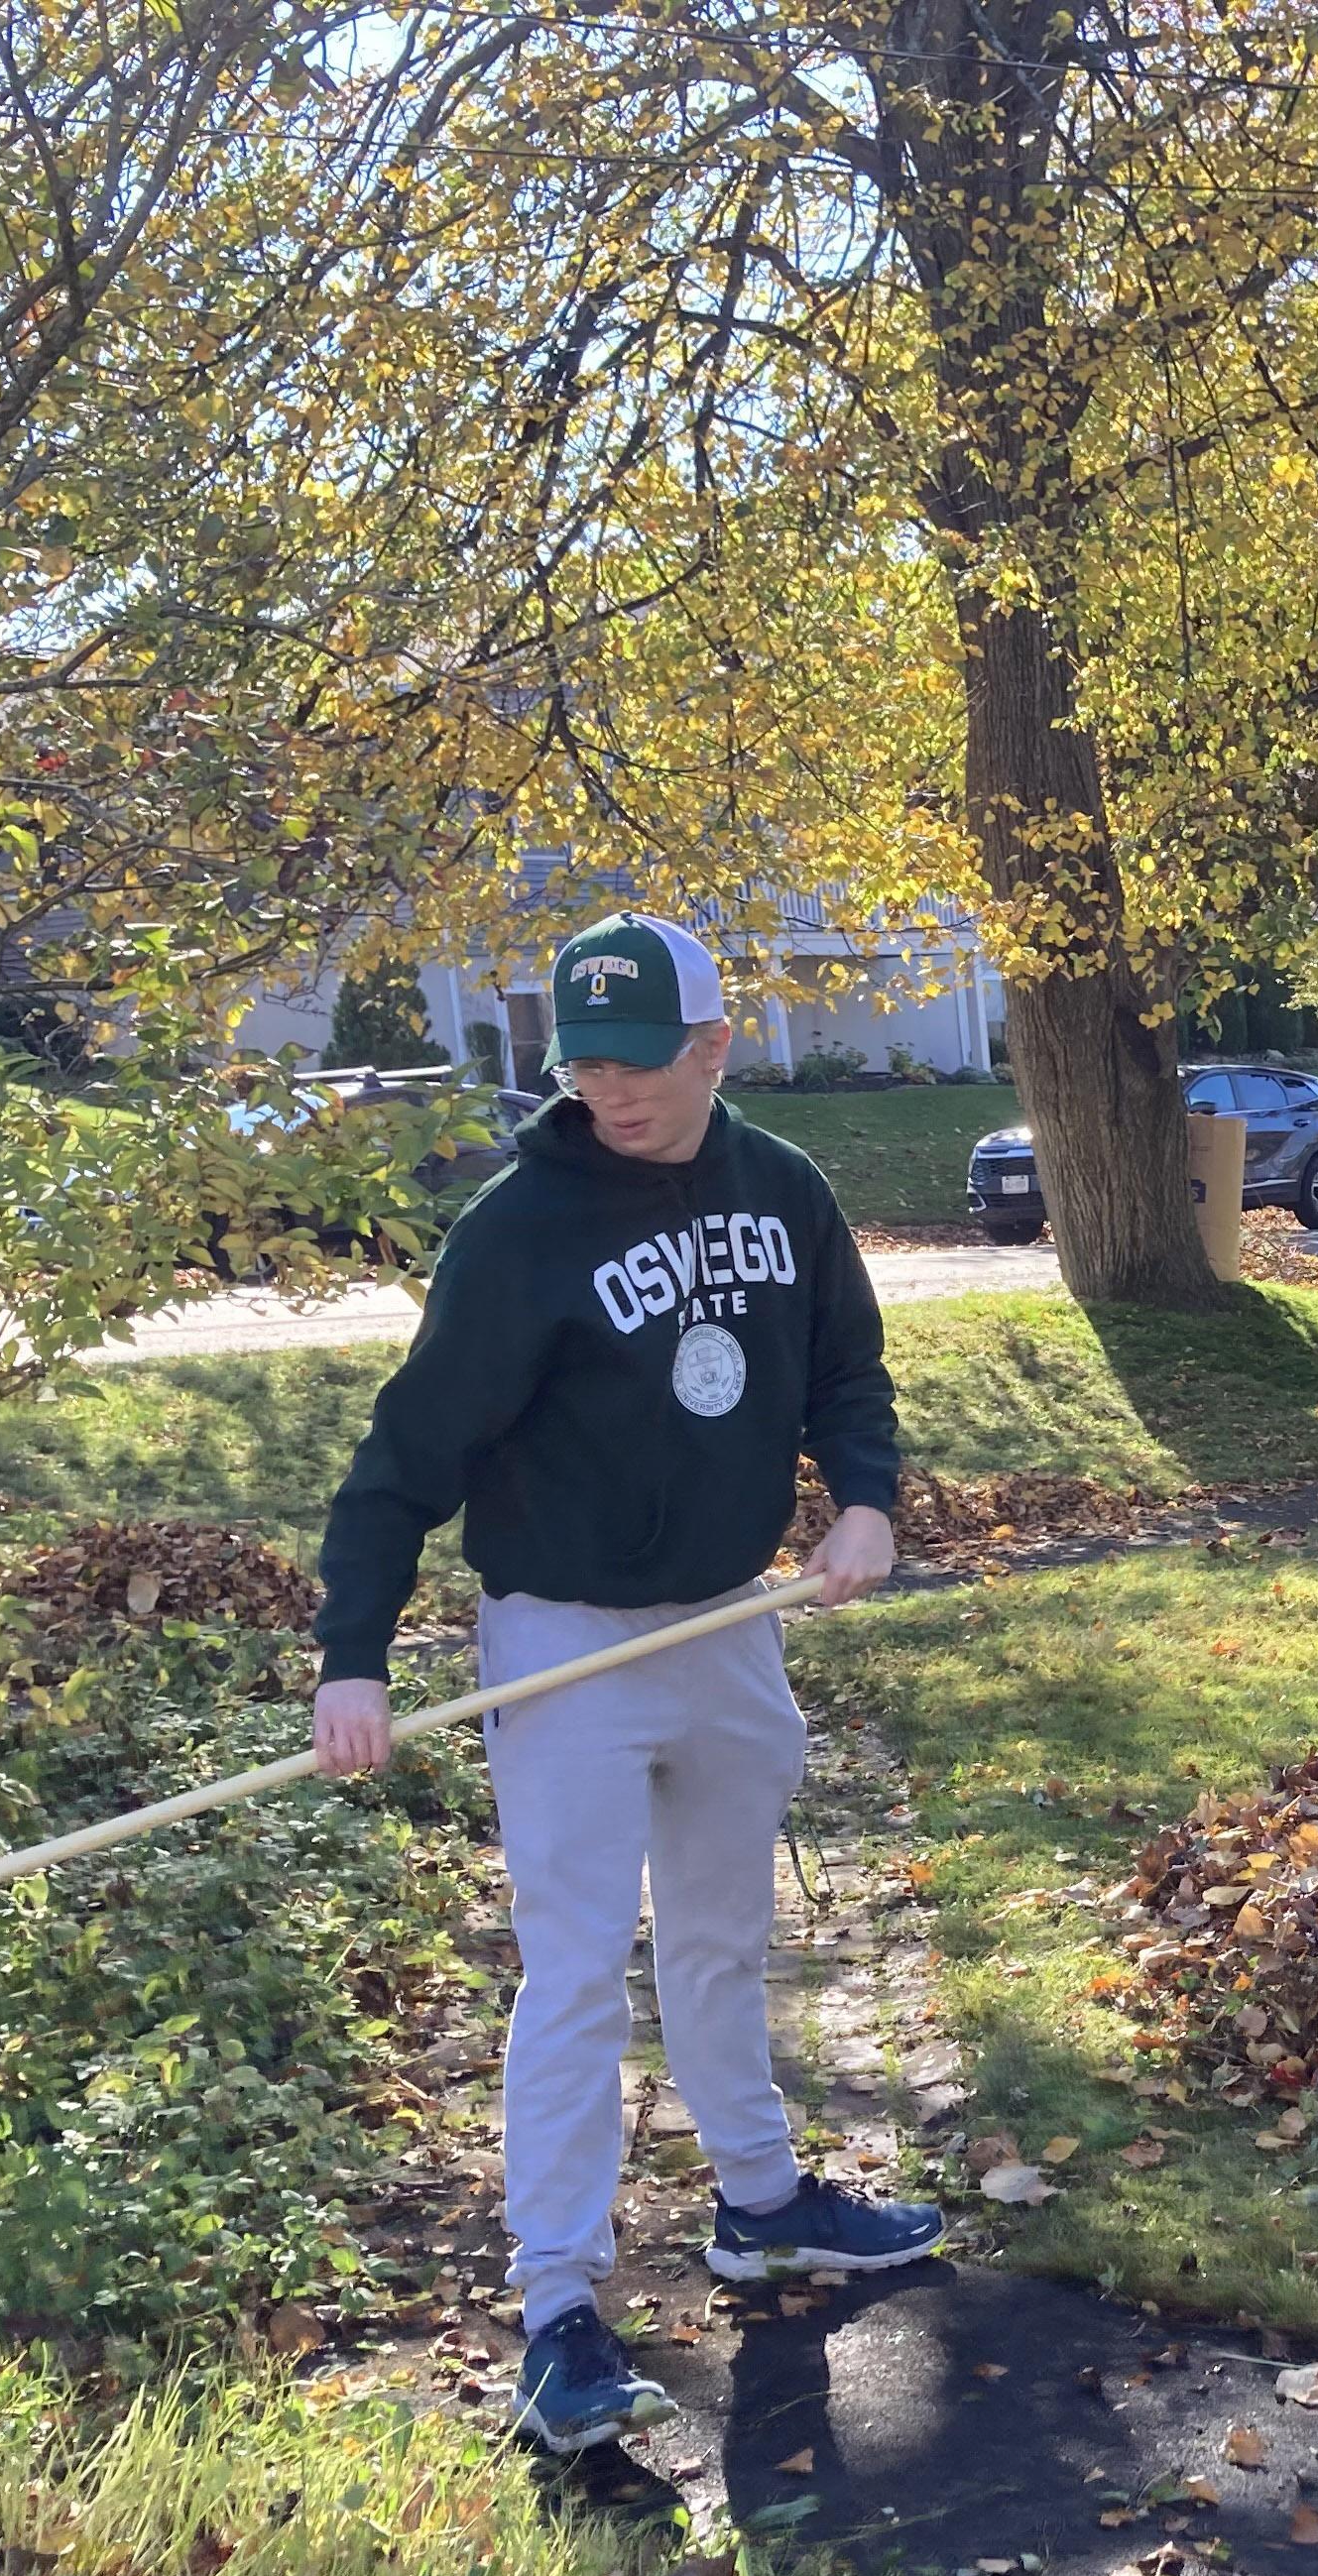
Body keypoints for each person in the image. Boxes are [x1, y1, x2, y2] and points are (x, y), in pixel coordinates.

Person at [309, 909, 944, 2453]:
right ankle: (557, 2310)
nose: (613, 1090)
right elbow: (405, 1460)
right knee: (578, 1970)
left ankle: (762, 2203)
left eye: (642, 1059)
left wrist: (863, 1495)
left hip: (724, 1620)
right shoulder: (519, 1232)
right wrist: (355, 1659)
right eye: (585, 1059)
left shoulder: (783, 1191)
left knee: (726, 1932)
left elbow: (847, 1373)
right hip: (568, 1640)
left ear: (718, 1045)